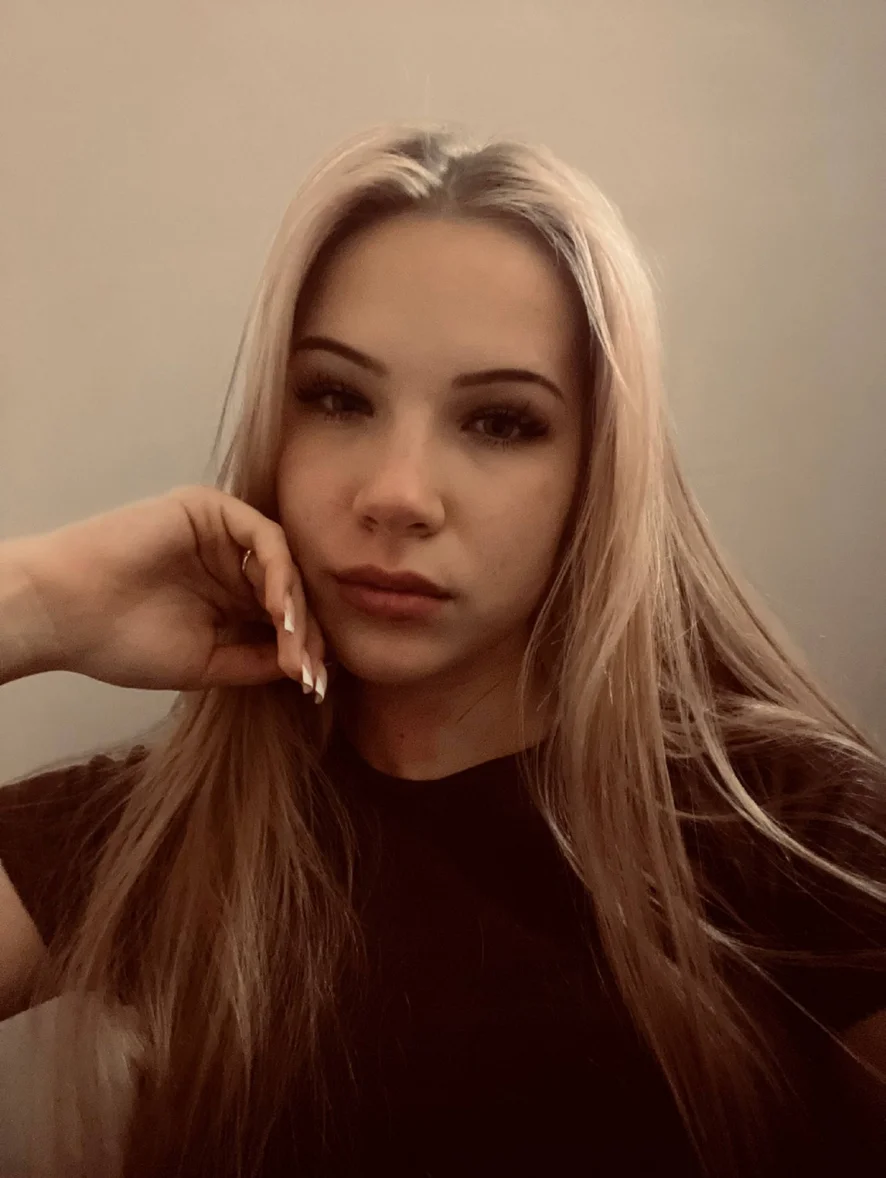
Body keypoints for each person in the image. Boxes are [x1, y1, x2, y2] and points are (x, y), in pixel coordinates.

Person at [0, 122, 883, 1178]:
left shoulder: (785, 826)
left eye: (501, 422)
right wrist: (33, 601)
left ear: (599, 471)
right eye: (338, 398)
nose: (397, 494)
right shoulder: (170, 836)